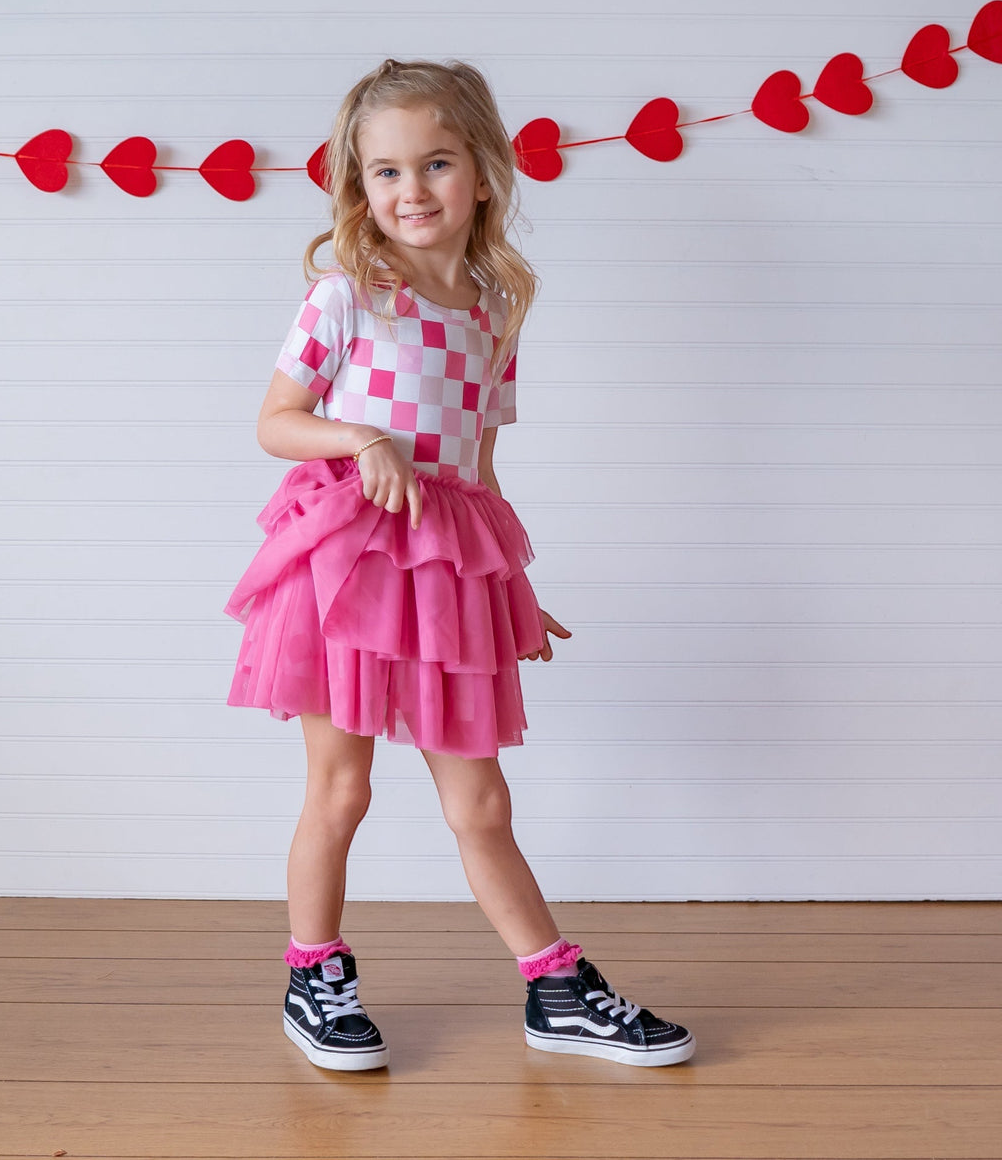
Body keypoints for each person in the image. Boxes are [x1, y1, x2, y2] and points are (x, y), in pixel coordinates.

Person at [224, 58, 695, 1073]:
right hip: (345, 561)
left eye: (434, 163)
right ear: (358, 188)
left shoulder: (492, 308)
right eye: (384, 172)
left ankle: (555, 987)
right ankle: (314, 973)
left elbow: (478, 464)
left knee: (479, 801)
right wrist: (361, 440)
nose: (410, 191)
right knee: (339, 791)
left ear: (482, 170)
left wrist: (513, 588)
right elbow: (275, 423)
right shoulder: (345, 294)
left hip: (441, 569)